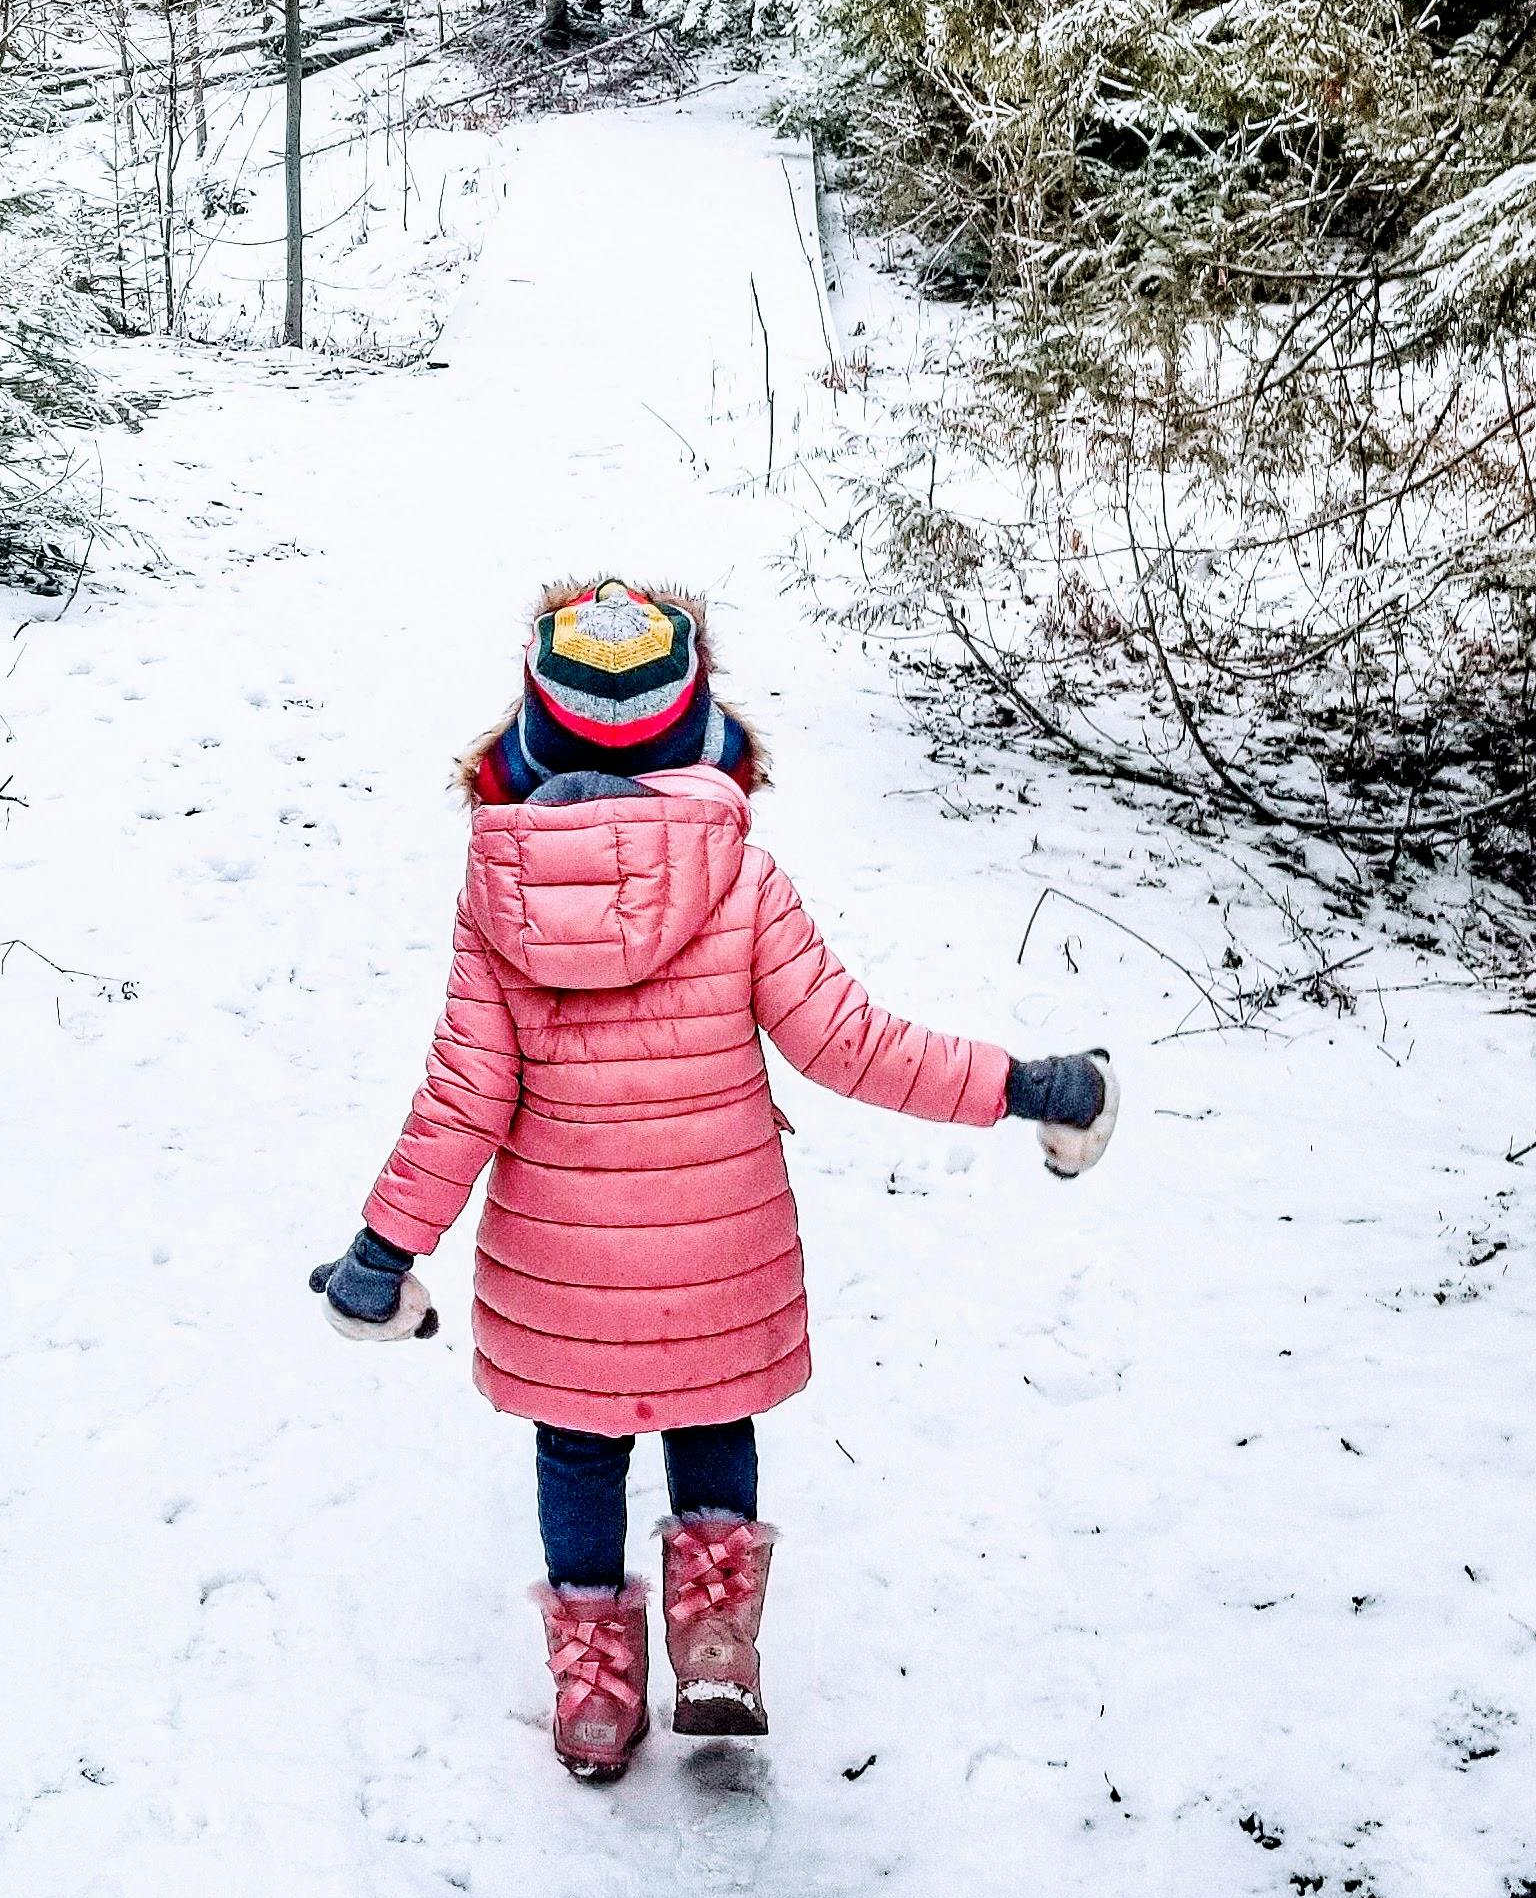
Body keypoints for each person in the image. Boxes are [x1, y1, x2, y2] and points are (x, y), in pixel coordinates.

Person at [310, 579, 1115, 1781]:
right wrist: (1026, 1086)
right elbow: (852, 1045)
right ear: (702, 733)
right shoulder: (738, 880)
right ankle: (719, 1646)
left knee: (578, 1450)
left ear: (529, 736)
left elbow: (462, 1101)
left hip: (562, 1276)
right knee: (711, 1414)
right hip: (716, 1259)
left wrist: (383, 1255)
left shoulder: (501, 898)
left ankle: (594, 1694)